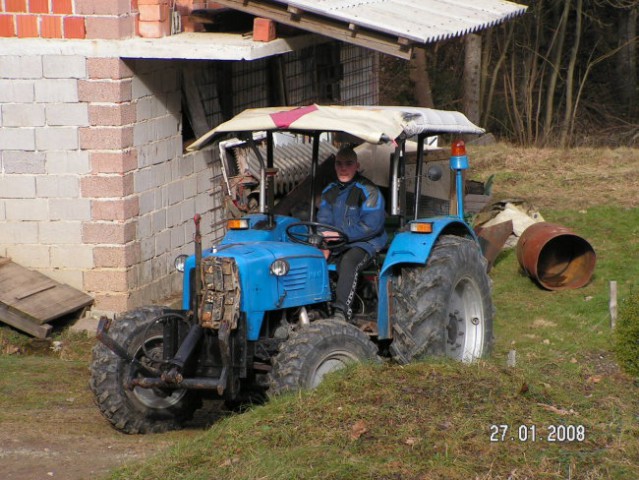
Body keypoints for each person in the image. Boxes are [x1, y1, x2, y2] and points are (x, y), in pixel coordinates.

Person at [317, 147, 387, 323]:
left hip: (366, 243)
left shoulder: (369, 191)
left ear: (357, 165)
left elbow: (371, 226)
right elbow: (323, 221)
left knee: (348, 261)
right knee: (310, 257)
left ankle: (341, 312)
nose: (343, 168)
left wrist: (339, 236)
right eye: (339, 164)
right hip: (337, 243)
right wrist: (322, 244)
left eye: (348, 164)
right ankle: (313, 308)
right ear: (334, 166)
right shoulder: (329, 191)